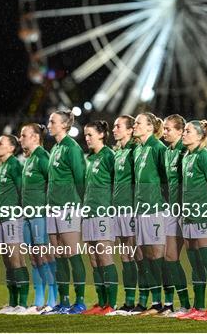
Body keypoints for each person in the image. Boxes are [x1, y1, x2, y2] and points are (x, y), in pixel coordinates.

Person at [177, 120, 207, 321]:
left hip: (205, 215)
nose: (184, 134)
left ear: (199, 136)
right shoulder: (187, 156)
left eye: (187, 131)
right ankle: (198, 306)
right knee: (195, 263)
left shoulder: (204, 157)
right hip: (188, 215)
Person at [43, 110, 86, 315]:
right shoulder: (56, 148)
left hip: (68, 207)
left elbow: (80, 179)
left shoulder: (72, 148)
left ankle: (80, 301)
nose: (49, 124)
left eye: (52, 121)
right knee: (57, 253)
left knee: (72, 253)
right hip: (52, 207)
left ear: (64, 125)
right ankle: (63, 301)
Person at [129, 112, 167, 316]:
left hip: (155, 209)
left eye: (138, 123)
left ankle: (165, 302)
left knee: (156, 255)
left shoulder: (157, 148)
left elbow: (166, 178)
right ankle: (156, 301)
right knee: (143, 255)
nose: (135, 125)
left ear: (150, 127)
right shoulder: (138, 150)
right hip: (140, 209)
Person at [19, 123, 57, 314]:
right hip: (27, 216)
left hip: (40, 215)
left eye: (24, 135)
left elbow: (52, 183)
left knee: (45, 256)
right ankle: (39, 299)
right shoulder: (29, 159)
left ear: (35, 137)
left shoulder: (42, 157)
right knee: (34, 258)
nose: (20, 138)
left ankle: (53, 298)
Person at [82, 120, 118, 316]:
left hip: (103, 213)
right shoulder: (90, 158)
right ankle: (101, 302)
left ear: (102, 135)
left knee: (104, 257)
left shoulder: (108, 156)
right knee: (94, 260)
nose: (86, 138)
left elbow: (118, 183)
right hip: (88, 214)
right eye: (85, 135)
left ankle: (111, 304)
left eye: (90, 135)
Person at [107, 114, 141, 315]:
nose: (114, 130)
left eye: (118, 126)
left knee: (137, 255)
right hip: (118, 209)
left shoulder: (134, 151)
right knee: (125, 256)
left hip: (130, 208)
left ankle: (143, 300)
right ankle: (129, 300)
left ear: (130, 130)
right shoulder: (117, 152)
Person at [157, 114, 191, 317]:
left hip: (186, 210)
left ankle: (202, 306)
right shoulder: (167, 152)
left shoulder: (184, 151)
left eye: (169, 129)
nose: (165, 132)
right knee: (170, 257)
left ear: (180, 131)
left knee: (198, 260)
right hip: (172, 211)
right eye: (164, 128)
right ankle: (184, 304)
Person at [0, 134, 29, 315]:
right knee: (7, 261)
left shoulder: (14, 165)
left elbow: (23, 190)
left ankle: (22, 304)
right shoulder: (2, 165)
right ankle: (12, 303)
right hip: (2, 219)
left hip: (13, 218)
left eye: (0, 143)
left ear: (11, 148)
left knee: (16, 259)